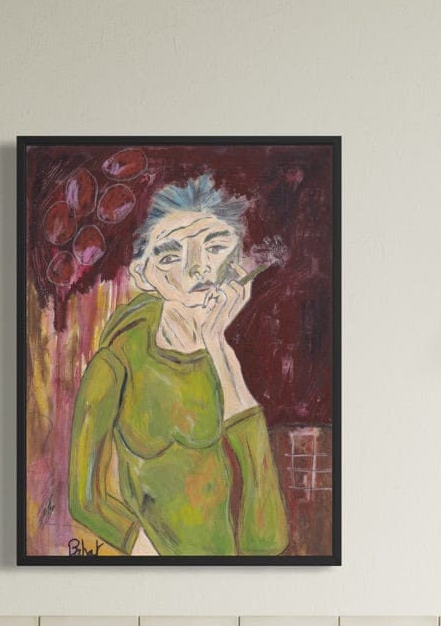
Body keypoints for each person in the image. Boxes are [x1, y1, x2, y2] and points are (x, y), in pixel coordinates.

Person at [68, 174, 289, 557]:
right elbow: (86, 499)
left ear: (239, 258)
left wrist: (217, 348)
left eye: (215, 246)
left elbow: (267, 538)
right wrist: (148, 555)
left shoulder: (234, 356)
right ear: (143, 274)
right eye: (170, 255)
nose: (197, 269)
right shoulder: (116, 364)